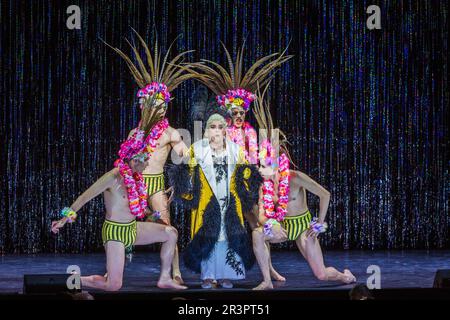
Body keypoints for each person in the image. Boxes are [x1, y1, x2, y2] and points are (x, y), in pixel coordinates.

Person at [185, 42, 293, 282]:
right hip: (220, 192)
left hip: (244, 190)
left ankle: (265, 269)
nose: (239, 115)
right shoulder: (207, 144)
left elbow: (252, 160)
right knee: (217, 230)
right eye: (234, 112)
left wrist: (261, 177)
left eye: (242, 112)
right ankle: (208, 274)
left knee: (255, 227)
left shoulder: (249, 134)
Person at [51, 107, 187, 291]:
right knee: (114, 285)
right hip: (115, 233)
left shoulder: (138, 180)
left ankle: (165, 278)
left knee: (170, 232)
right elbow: (84, 197)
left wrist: (155, 214)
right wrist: (63, 218)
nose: (147, 164)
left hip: (132, 229)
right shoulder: (114, 176)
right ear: (134, 158)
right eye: (145, 160)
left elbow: (138, 210)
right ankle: (76, 280)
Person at [106, 30, 202, 284]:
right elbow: (125, 162)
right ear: (144, 105)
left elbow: (184, 154)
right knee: (124, 224)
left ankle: (174, 273)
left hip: (156, 185)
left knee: (168, 227)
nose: (160, 108)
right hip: (133, 184)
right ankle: (113, 269)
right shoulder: (135, 132)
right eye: (155, 104)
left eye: (163, 105)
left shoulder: (170, 132)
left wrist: (183, 170)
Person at [251, 86, 356, 290]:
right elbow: (262, 213)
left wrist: (319, 224)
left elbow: (325, 194)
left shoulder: (295, 178)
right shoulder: (263, 184)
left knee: (322, 274)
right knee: (257, 233)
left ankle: (345, 277)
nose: (260, 168)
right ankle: (266, 281)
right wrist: (270, 223)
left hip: (303, 226)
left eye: (264, 164)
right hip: (282, 225)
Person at [168, 114, 262, 289]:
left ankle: (226, 275)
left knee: (227, 236)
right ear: (207, 130)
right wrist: (182, 187)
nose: (217, 130)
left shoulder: (235, 150)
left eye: (220, 127)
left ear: (225, 130)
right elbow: (186, 172)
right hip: (207, 201)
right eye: (213, 126)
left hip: (229, 200)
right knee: (208, 236)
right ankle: (208, 277)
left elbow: (245, 174)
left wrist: (254, 175)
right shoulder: (197, 149)